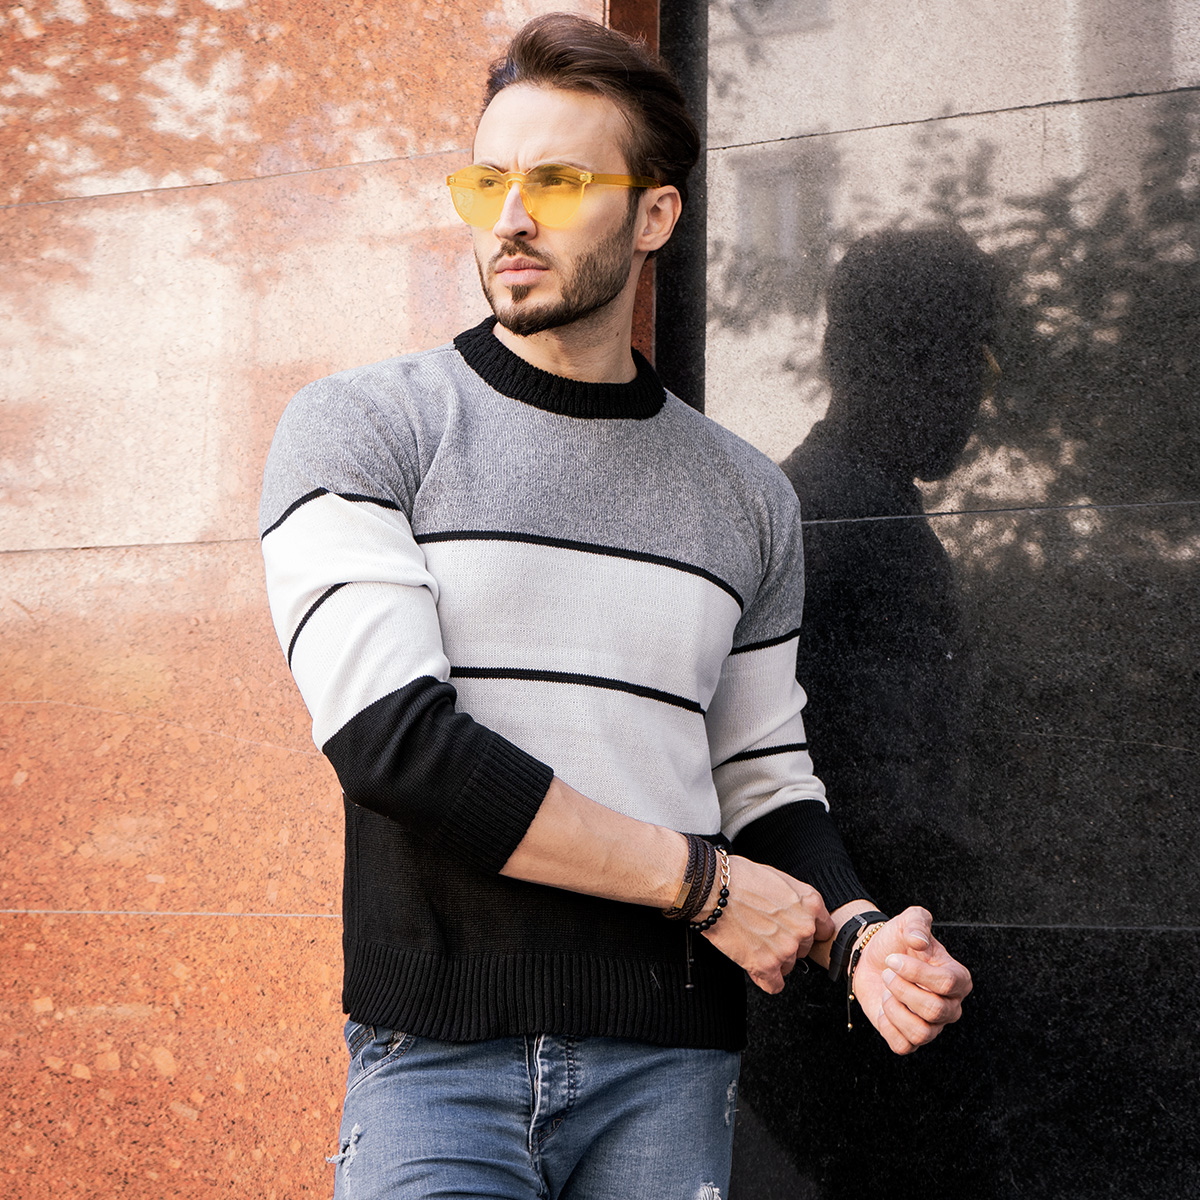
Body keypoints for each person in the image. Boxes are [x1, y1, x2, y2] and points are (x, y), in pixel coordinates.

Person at [258, 15, 972, 1200]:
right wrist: (707, 889)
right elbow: (393, 743)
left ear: (654, 216)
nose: (511, 218)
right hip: (435, 1063)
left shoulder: (746, 495)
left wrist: (858, 940)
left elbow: (762, 780)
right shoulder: (365, 428)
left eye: (558, 181)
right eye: (489, 180)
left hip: (670, 1071)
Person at [782, 228, 1000, 910]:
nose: (981, 390)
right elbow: (889, 798)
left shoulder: (826, 500)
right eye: (977, 357)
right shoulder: (851, 522)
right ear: (917, 361)